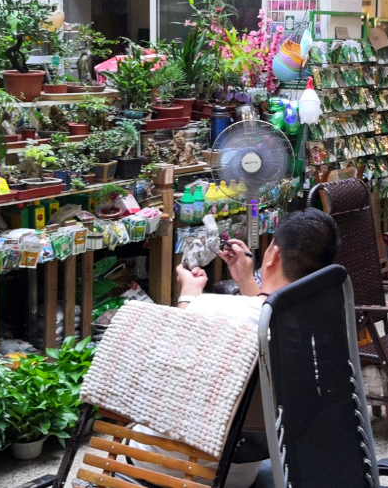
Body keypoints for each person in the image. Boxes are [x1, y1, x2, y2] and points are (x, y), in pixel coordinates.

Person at [132, 208, 341, 488]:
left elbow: (168, 363)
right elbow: (264, 315)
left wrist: (188, 295)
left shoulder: (212, 307)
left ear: (274, 256)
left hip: (162, 464)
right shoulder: (317, 331)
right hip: (236, 475)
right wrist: (246, 280)